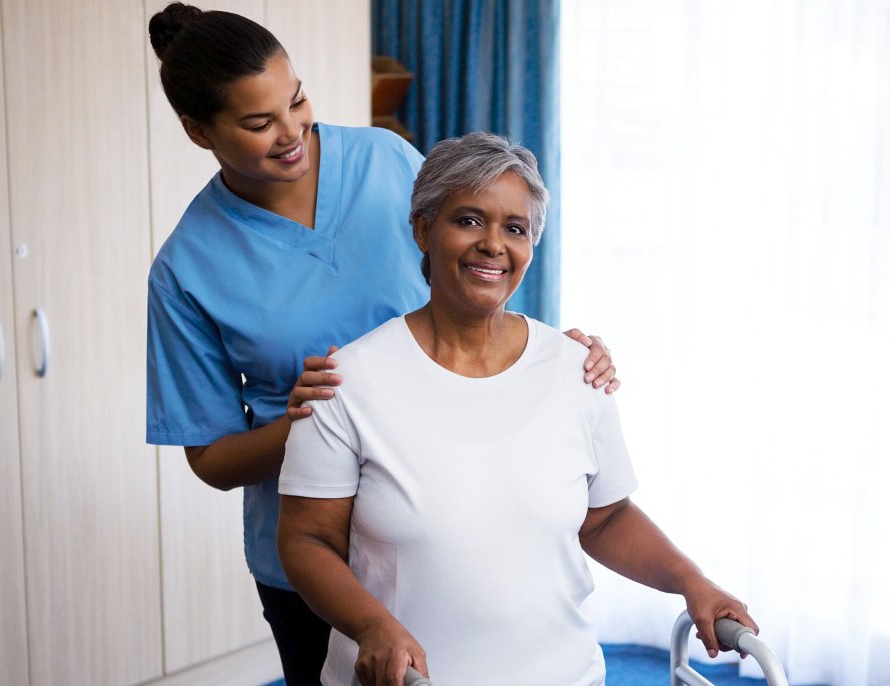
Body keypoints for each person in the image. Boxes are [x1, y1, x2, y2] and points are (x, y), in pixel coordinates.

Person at [143, 6, 620, 683]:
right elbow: (212, 459)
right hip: (316, 554)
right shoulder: (186, 267)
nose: (292, 132)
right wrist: (318, 420)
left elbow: (478, 267)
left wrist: (545, 352)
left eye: (297, 98)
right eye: (258, 123)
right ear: (198, 131)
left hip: (455, 524)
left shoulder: (386, 161)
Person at [278, 132, 755, 686]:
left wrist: (691, 580)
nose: (493, 244)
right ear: (423, 229)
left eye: (515, 228)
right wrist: (371, 624)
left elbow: (605, 519)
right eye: (469, 220)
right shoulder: (348, 381)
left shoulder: (577, 371)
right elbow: (306, 541)